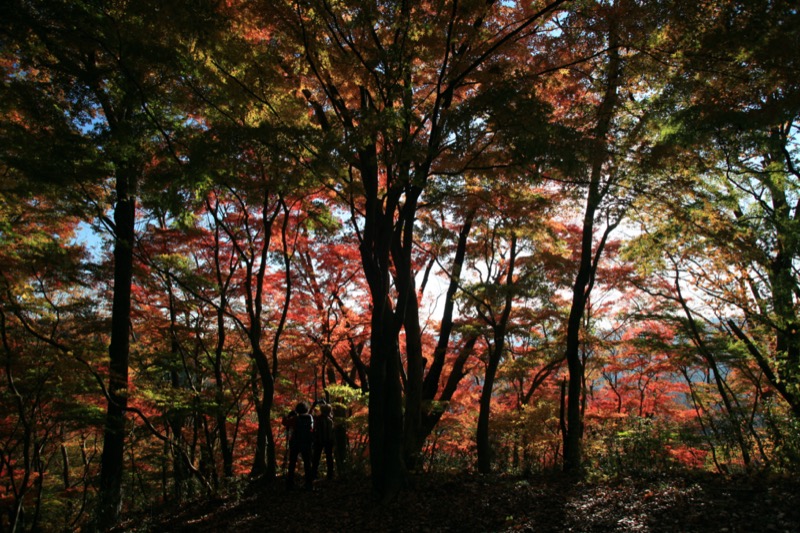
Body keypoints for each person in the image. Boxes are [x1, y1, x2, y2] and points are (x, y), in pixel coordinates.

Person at [286, 402, 314, 490]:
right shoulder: (310, 418)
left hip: (296, 442)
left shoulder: (295, 418)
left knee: (292, 463)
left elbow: (285, 423)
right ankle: (309, 484)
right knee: (307, 463)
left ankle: (290, 483)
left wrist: (288, 416)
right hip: (307, 442)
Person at [311, 400, 335, 481]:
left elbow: (310, 416)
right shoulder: (330, 420)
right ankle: (330, 475)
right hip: (329, 441)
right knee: (329, 458)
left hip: (319, 441)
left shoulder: (318, 419)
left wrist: (313, 406)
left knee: (316, 458)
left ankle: (314, 474)